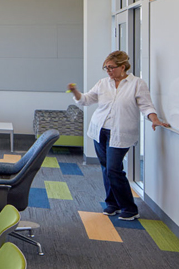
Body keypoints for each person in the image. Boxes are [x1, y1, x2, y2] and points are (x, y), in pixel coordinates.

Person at [69, 50, 169, 221]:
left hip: (121, 132)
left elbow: (146, 105)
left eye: (111, 68)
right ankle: (112, 204)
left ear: (123, 67)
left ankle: (129, 208)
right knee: (106, 168)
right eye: (106, 68)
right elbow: (86, 100)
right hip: (99, 130)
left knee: (114, 169)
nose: (108, 71)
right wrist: (75, 92)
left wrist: (155, 119)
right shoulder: (103, 83)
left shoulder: (137, 84)